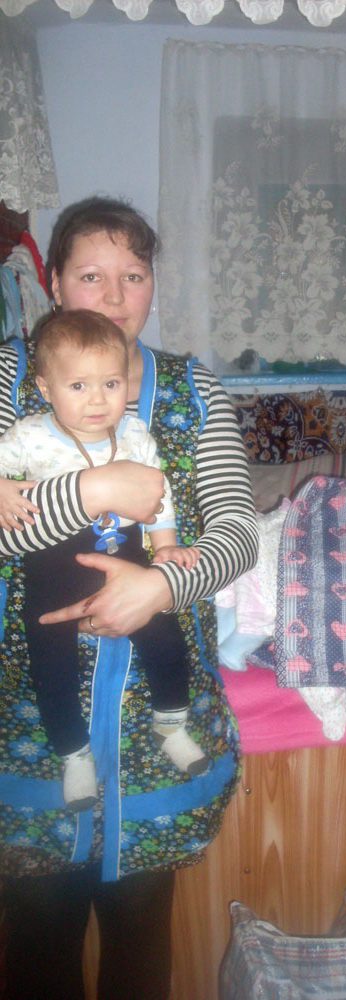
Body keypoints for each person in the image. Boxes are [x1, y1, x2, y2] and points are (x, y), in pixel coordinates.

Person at [0, 197, 258, 999]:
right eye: (91, 276)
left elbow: (238, 535)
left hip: (158, 726)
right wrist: (95, 489)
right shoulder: (9, 378)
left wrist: (160, 586)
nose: (114, 296)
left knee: (141, 952)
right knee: (34, 948)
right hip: (25, 723)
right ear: (52, 283)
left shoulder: (190, 388)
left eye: (134, 275)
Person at [0, 309, 208, 812]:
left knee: (167, 639)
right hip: (52, 573)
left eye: (110, 384)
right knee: (52, 666)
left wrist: (166, 546)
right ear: (46, 388)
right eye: (79, 386)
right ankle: (74, 756)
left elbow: (160, 495)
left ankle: (171, 725)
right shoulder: (29, 434)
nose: (97, 400)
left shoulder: (134, 435)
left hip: (129, 562)